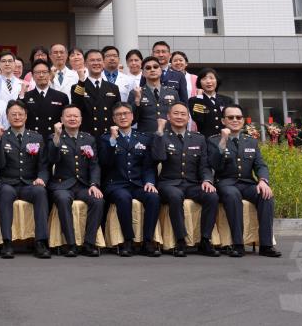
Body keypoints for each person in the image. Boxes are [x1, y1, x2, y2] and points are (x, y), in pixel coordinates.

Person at [208, 105, 282, 258]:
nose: (235, 120)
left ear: (243, 120)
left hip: (247, 183)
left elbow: (260, 165)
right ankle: (238, 244)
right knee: (232, 195)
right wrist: (223, 140)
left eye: (238, 117)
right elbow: (214, 165)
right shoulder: (214, 140)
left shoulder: (250, 141)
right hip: (226, 183)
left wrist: (263, 181)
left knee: (266, 196)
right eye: (230, 117)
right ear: (223, 120)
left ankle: (266, 245)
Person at [151, 103, 219, 258]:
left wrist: (207, 180)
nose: (179, 117)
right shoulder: (163, 136)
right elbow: (157, 157)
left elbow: (204, 165)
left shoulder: (199, 138)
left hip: (192, 184)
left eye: (183, 114)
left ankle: (205, 240)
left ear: (188, 117)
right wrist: (159, 133)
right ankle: (180, 240)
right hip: (169, 184)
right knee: (175, 196)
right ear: (168, 116)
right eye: (176, 113)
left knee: (212, 196)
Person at [98, 103, 161, 257]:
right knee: (123, 198)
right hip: (116, 185)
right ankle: (128, 241)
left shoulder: (143, 138)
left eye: (126, 113)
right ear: (113, 118)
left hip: (138, 184)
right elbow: (104, 163)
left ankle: (147, 241)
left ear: (132, 116)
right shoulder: (106, 138)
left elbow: (148, 166)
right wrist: (113, 141)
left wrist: (149, 182)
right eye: (119, 114)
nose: (123, 117)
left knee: (153, 197)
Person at [0, 101, 51, 259]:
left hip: (29, 184)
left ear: (25, 116)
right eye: (13, 114)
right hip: (7, 182)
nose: (17, 117)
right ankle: (7, 242)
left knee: (40, 192)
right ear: (7, 116)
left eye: (20, 114)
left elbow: (43, 165)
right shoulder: (1, 136)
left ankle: (40, 242)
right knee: (4, 192)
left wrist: (41, 179)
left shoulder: (36, 137)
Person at [48, 107, 103, 258]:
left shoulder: (89, 139)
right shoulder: (54, 136)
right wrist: (57, 138)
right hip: (62, 184)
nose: (72, 119)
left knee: (98, 201)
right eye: (68, 116)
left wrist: (94, 184)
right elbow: (52, 159)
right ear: (62, 119)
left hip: (83, 185)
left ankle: (89, 243)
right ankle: (70, 244)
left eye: (76, 116)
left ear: (81, 119)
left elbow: (94, 165)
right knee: (63, 199)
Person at [70, 50, 120, 141]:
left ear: (104, 63)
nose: (96, 63)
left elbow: (117, 113)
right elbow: (77, 106)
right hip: (86, 136)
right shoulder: (78, 87)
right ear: (85, 63)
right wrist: (81, 81)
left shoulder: (113, 88)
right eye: (92, 60)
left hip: (108, 136)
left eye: (99, 60)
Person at [128, 56, 182, 134]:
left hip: (169, 137)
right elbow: (131, 121)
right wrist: (137, 101)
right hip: (145, 138)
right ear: (142, 73)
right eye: (148, 68)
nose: (152, 70)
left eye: (155, 67)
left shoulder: (172, 92)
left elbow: (179, 116)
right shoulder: (135, 93)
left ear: (160, 70)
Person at [23, 58, 69, 138]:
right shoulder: (26, 97)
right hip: (32, 140)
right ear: (33, 76)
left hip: (54, 139)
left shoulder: (61, 97)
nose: (41, 75)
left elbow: (65, 122)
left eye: (44, 72)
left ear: (50, 74)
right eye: (37, 72)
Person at [189, 67, 234, 139]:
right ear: (199, 82)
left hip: (225, 139)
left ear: (217, 81)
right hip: (206, 141)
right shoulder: (194, 100)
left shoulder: (227, 100)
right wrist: (200, 97)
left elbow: (232, 120)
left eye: (211, 78)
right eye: (204, 79)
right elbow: (199, 118)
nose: (208, 81)